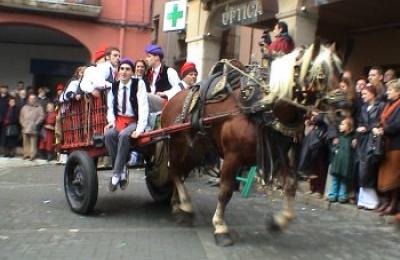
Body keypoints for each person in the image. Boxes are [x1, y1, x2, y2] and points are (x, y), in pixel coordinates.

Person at [104, 58, 149, 191]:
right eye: (122, 69)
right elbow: (110, 107)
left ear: (132, 72)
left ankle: (116, 174)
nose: (124, 72)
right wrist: (111, 122)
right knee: (109, 135)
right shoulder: (114, 86)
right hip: (119, 121)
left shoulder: (138, 84)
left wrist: (140, 129)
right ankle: (123, 169)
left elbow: (143, 106)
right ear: (118, 71)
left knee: (124, 136)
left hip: (133, 121)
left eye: (128, 69)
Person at [354, 84, 384, 210]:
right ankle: (363, 200)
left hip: (373, 141)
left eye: (365, 94)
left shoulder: (380, 106)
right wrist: (359, 129)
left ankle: (372, 201)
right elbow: (361, 122)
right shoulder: (364, 108)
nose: (363, 96)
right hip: (363, 140)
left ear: (372, 93)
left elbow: (379, 123)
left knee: (368, 169)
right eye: (362, 94)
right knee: (361, 169)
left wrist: (368, 128)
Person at [373, 79, 400, 215]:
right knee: (384, 175)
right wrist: (378, 127)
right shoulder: (389, 104)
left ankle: (393, 204)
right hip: (386, 145)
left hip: (396, 145)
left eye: (390, 90)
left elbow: (397, 125)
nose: (388, 92)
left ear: (398, 92)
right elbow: (381, 119)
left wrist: (384, 130)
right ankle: (386, 202)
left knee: (393, 177)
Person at [144, 44, 181, 112]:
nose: (146, 59)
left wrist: (164, 93)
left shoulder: (169, 71)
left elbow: (180, 88)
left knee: (146, 96)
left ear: (157, 57)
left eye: (149, 56)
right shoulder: (146, 74)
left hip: (166, 106)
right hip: (149, 107)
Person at [328, 117, 354, 203]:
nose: (340, 126)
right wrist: (335, 149)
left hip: (346, 163)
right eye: (340, 124)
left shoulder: (352, 138)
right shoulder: (338, 137)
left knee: (344, 181)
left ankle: (342, 195)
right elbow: (333, 147)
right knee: (335, 179)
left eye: (343, 124)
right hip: (337, 162)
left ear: (349, 126)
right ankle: (333, 194)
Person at [19, 94, 44, 160]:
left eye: (33, 98)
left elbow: (42, 116)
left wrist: (36, 123)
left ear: (35, 99)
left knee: (33, 142)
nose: (32, 100)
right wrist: (23, 123)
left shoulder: (39, 107)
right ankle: (26, 154)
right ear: (28, 99)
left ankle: (32, 155)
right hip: (25, 127)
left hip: (34, 127)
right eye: (31, 98)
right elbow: (21, 117)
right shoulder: (24, 107)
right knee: (25, 142)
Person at [0, 84, 10, 155]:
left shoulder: (9, 98)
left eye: (5, 88)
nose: (4, 90)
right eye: (2, 88)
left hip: (5, 121)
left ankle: (4, 151)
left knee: (4, 136)